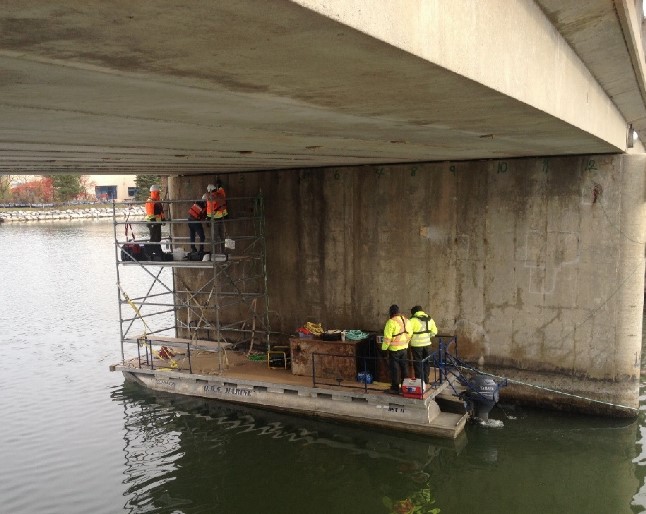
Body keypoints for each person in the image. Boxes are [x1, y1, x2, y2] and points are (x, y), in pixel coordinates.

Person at [382, 304, 412, 394]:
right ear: (398, 312)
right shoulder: (406, 321)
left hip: (394, 350)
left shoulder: (390, 322)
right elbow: (410, 334)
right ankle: (405, 387)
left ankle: (395, 388)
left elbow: (387, 338)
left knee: (395, 369)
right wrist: (405, 342)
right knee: (404, 368)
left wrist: (384, 349)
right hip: (404, 349)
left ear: (391, 313)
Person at [409, 305, 438, 385]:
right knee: (426, 362)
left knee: (418, 363)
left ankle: (420, 382)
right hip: (427, 344)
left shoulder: (412, 320)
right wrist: (428, 336)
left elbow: (408, 333)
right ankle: (426, 379)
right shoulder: (429, 319)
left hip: (416, 345)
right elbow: (434, 332)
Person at [206, 179, 228, 253]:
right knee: (222, 236)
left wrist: (208, 218)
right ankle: (223, 252)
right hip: (222, 217)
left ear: (210, 191)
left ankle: (215, 254)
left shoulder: (210, 197)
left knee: (214, 238)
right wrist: (220, 185)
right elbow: (222, 190)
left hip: (215, 219)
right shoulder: (221, 193)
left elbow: (209, 209)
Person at [145, 184, 166, 257]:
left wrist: (163, 220)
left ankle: (158, 252)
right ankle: (148, 252)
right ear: (154, 192)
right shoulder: (150, 201)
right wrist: (153, 222)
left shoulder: (157, 201)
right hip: (152, 223)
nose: (158, 194)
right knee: (154, 238)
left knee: (157, 238)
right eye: (157, 192)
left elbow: (161, 212)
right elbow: (150, 214)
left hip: (157, 223)